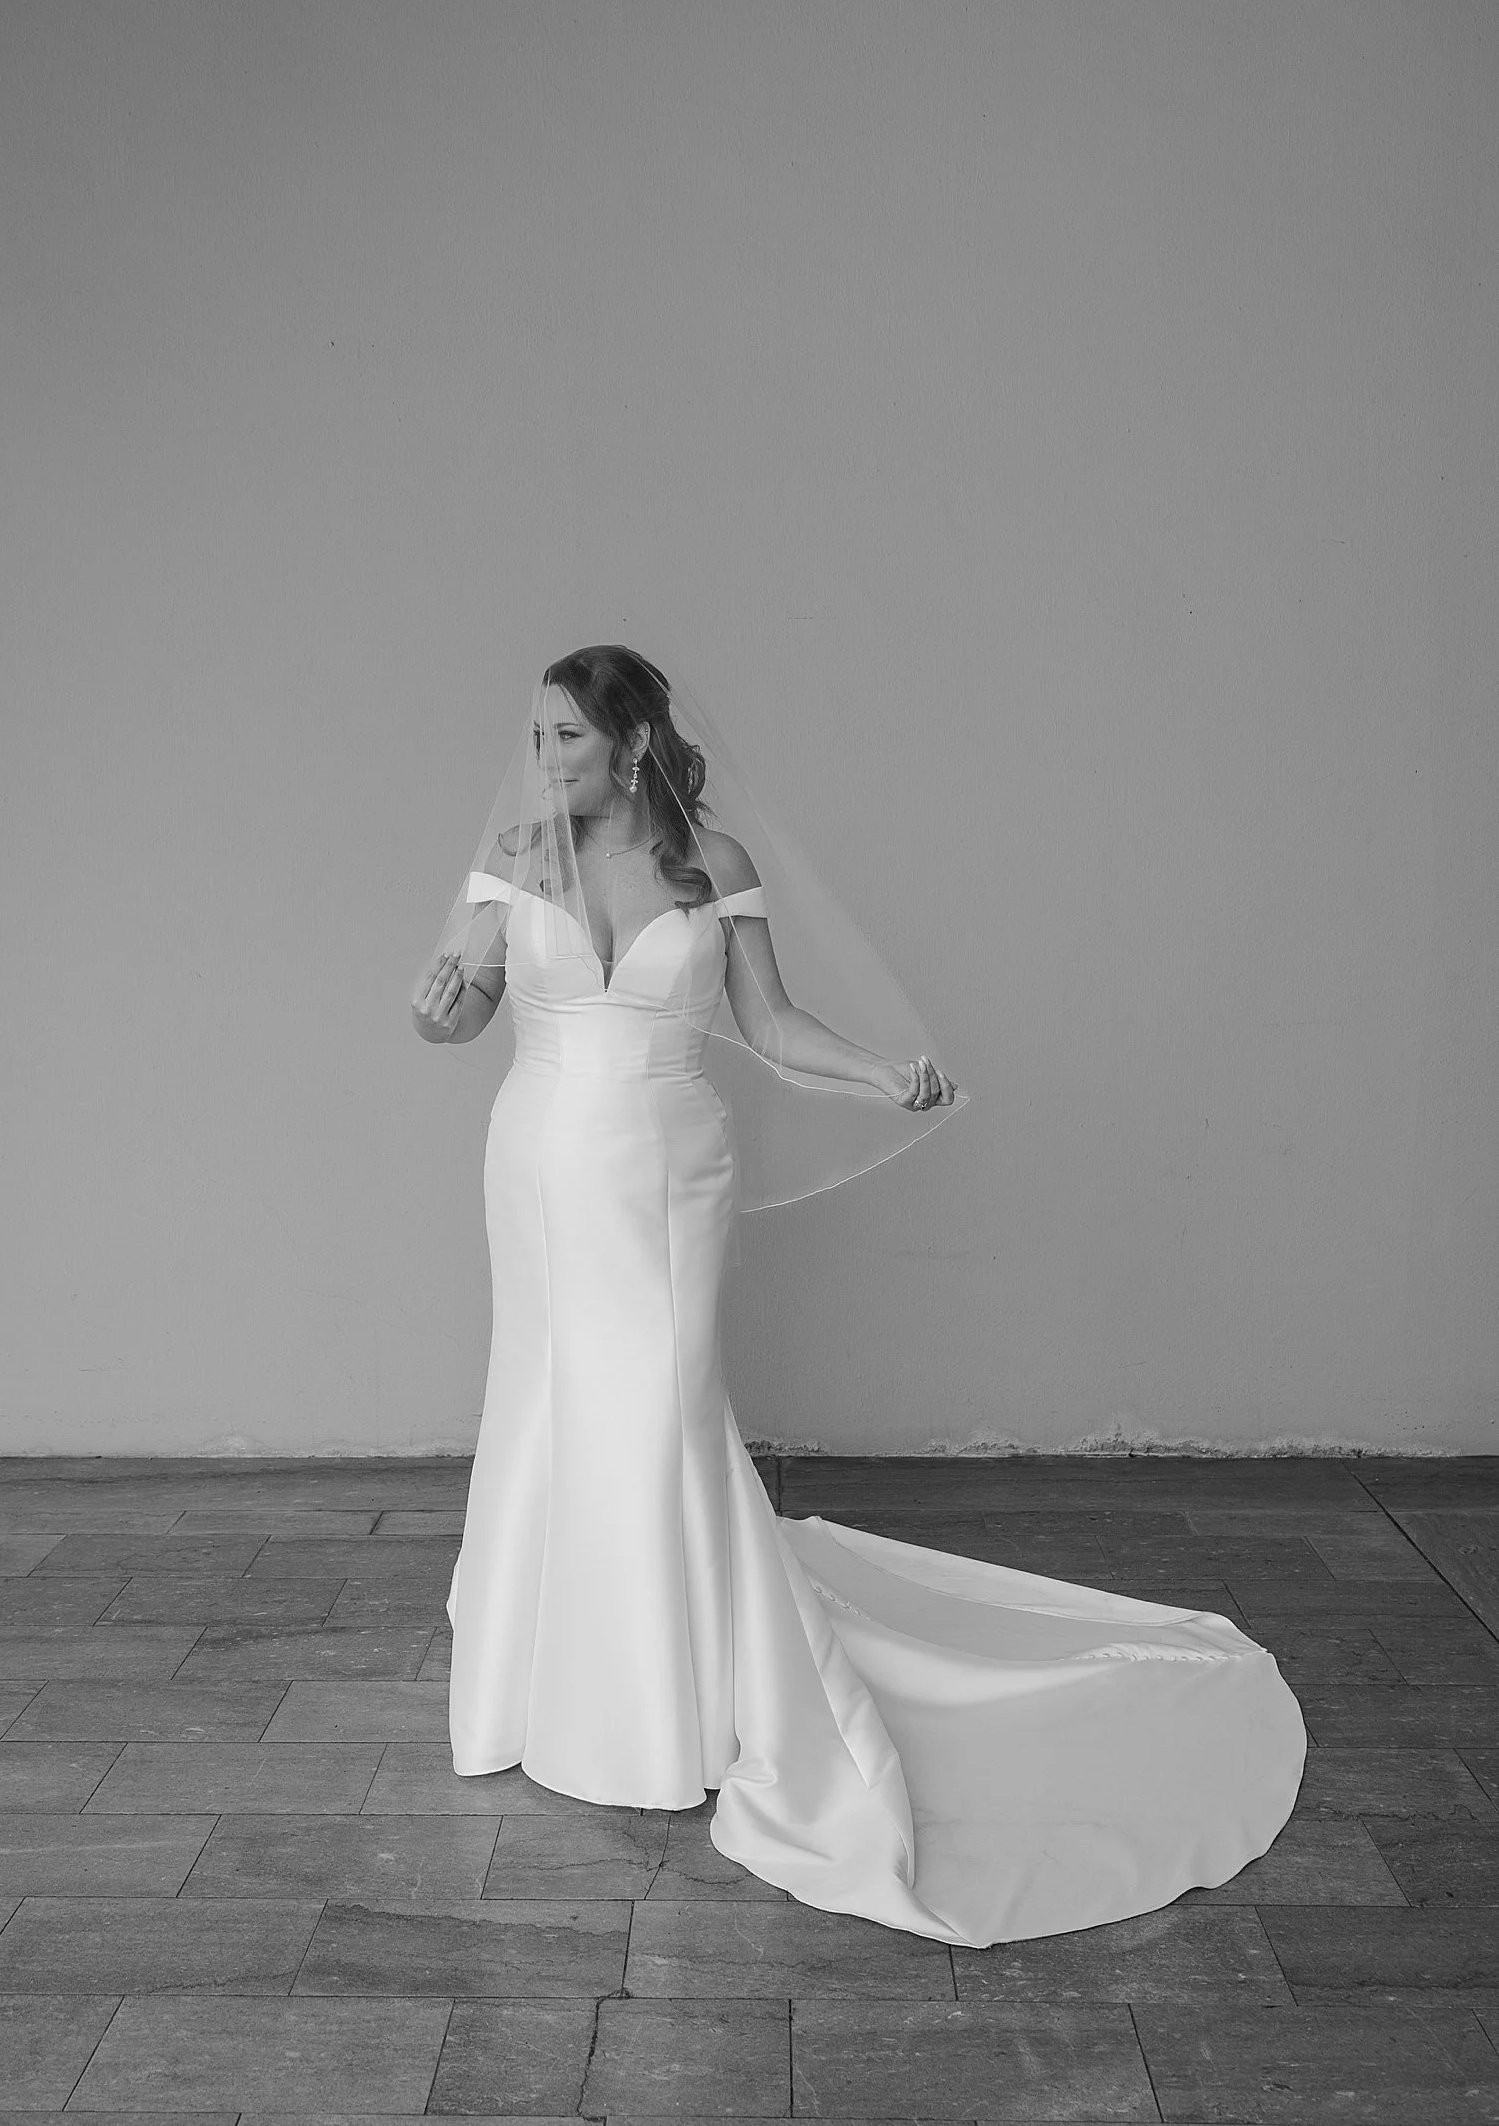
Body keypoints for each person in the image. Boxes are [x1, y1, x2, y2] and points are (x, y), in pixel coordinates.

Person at [412, 643, 1305, 1947]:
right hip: (536, 1166)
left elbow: (770, 1026)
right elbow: (463, 1006)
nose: (543, 759)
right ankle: (534, 1693)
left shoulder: (708, 866)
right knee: (544, 1404)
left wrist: (885, 1074)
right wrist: (437, 1004)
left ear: (635, 744)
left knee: (660, 1419)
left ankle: (663, 1707)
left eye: (567, 739)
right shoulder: (518, 846)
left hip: (666, 1175)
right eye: (537, 736)